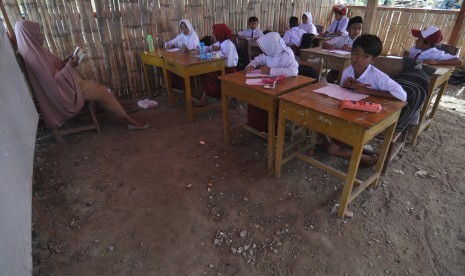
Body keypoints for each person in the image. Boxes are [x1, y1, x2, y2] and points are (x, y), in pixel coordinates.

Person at [15, 20, 151, 131]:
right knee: (104, 93)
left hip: (70, 83)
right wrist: (70, 66)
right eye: (37, 32)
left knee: (101, 88)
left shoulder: (33, 50)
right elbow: (53, 83)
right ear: (29, 33)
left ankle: (121, 112)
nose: (41, 35)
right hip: (65, 91)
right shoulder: (32, 56)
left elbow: (52, 70)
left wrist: (66, 61)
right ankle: (131, 122)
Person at [324, 34, 407, 166]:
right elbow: (343, 93)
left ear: (373, 59)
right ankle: (344, 142)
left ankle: (368, 158)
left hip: (364, 120)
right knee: (320, 125)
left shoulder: (377, 76)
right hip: (348, 115)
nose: (359, 60)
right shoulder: (348, 71)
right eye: (356, 53)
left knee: (331, 149)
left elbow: (402, 95)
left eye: (366, 56)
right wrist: (346, 86)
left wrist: (367, 91)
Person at [245, 32, 299, 133]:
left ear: (272, 45)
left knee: (266, 100)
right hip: (267, 84)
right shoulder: (269, 53)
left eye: (266, 47)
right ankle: (256, 125)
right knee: (254, 96)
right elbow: (258, 59)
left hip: (282, 86)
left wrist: (271, 70)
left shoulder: (287, 53)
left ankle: (269, 129)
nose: (264, 51)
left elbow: (294, 71)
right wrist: (251, 65)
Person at [197, 24, 238, 106]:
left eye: (215, 34)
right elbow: (210, 47)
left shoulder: (229, 45)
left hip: (228, 70)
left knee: (207, 74)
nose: (214, 36)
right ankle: (206, 95)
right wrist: (202, 48)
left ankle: (215, 95)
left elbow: (228, 62)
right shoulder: (220, 42)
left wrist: (218, 51)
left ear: (220, 34)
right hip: (220, 67)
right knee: (203, 72)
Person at [322, 16, 363, 83]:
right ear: (347, 29)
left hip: (355, 68)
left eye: (359, 29)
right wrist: (329, 46)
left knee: (344, 80)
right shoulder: (341, 39)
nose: (357, 31)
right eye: (354, 28)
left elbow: (364, 53)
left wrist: (350, 49)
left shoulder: (362, 41)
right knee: (329, 77)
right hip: (339, 66)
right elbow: (325, 43)